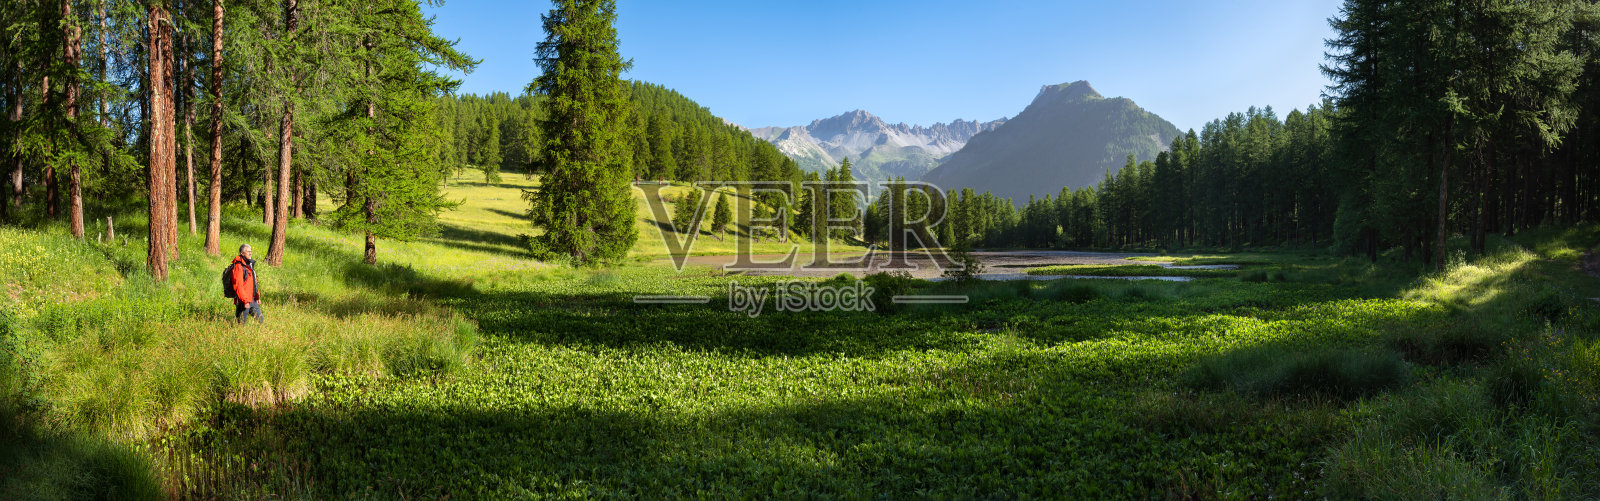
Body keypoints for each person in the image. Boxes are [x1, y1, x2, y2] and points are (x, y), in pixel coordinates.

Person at [231, 244, 265, 324]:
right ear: (242, 253)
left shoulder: (249, 265)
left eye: (251, 251)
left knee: (261, 320)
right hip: (243, 302)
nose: (250, 253)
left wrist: (257, 296)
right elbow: (238, 285)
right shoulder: (238, 267)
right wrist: (245, 301)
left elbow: (254, 283)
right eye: (248, 251)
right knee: (241, 324)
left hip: (252, 299)